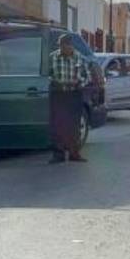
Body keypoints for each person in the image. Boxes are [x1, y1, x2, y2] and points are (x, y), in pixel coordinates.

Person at [48, 34, 90, 164]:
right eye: (60, 46)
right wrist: (53, 82)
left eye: (64, 46)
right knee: (58, 125)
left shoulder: (80, 58)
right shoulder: (52, 57)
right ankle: (58, 154)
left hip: (74, 94)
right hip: (58, 94)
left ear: (70, 46)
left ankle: (74, 153)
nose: (62, 48)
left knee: (74, 125)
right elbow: (47, 75)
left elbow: (87, 76)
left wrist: (80, 84)